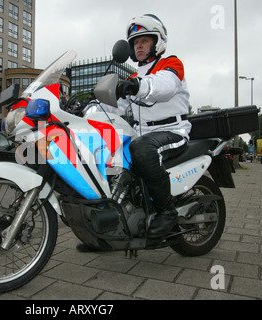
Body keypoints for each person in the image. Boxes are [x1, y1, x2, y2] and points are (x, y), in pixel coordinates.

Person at [77, 14, 191, 251]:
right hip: (142, 133)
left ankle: (166, 212)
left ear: (157, 42)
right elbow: (112, 104)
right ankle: (106, 234)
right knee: (104, 153)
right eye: (135, 42)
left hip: (172, 131)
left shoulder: (171, 64)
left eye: (144, 40)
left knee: (141, 149)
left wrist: (137, 86)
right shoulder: (133, 77)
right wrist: (85, 107)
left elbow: (164, 86)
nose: (138, 46)